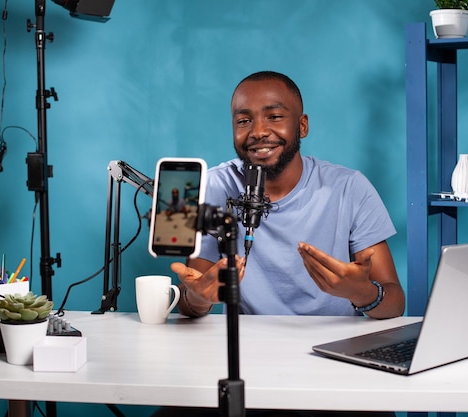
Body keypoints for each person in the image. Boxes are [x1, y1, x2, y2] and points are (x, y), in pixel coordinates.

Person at [154, 71, 404, 417]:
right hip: (247, 360)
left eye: (274, 116)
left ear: (301, 126)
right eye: (244, 120)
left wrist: (361, 292)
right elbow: (196, 295)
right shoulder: (212, 186)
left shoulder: (350, 188)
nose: (258, 131)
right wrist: (195, 299)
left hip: (335, 363)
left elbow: (395, 302)